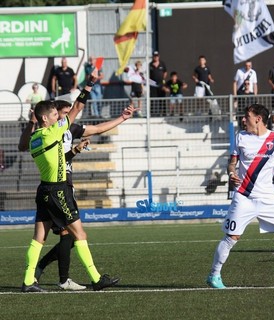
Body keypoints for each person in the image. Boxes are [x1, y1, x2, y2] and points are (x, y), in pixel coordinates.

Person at [21, 69, 129, 293]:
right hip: (58, 189)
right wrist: (88, 84)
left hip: (44, 190)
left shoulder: (34, 138)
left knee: (38, 237)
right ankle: (97, 279)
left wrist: (75, 150)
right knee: (79, 234)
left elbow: (57, 158)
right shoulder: (51, 133)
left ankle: (28, 280)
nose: (57, 118)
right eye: (54, 115)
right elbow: (77, 109)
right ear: (44, 119)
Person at [206, 103, 274, 289]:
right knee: (231, 237)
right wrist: (232, 174)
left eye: (246, 116)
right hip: (244, 196)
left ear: (258, 119)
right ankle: (214, 275)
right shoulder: (240, 137)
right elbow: (232, 163)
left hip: (268, 197)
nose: (243, 119)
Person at [149, 51, 167, 116]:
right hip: (153, 84)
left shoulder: (162, 64)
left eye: (157, 56)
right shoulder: (150, 64)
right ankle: (152, 113)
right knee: (153, 98)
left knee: (162, 98)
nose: (156, 57)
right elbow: (148, 75)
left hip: (161, 83)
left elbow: (165, 72)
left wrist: (163, 79)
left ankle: (163, 112)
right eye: (154, 56)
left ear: (159, 56)